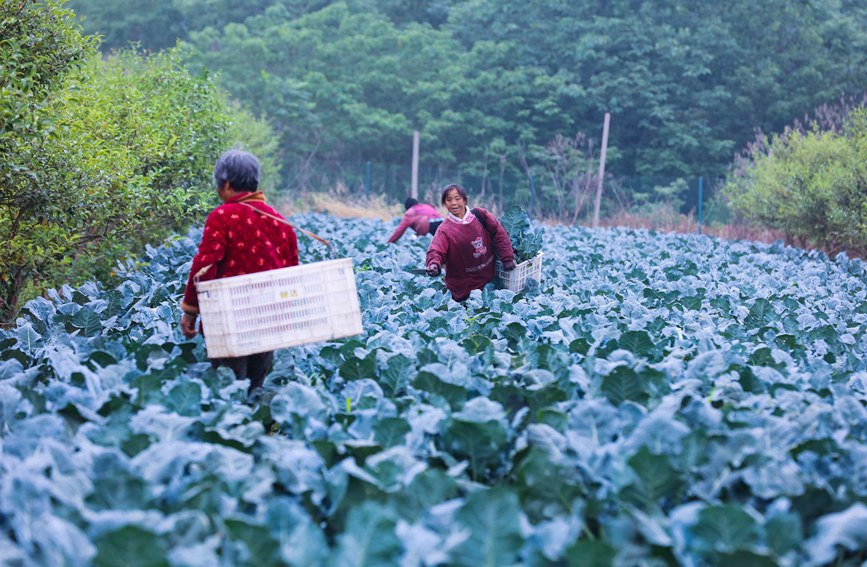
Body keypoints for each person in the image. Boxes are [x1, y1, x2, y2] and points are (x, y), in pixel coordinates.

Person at [180, 149, 299, 397]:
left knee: (228, 391)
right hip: (269, 320)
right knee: (255, 389)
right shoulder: (281, 222)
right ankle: (256, 432)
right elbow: (291, 274)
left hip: (228, 320)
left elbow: (205, 266)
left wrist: (191, 311)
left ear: (225, 184)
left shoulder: (222, 216)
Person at [425, 183, 516, 301]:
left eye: (457, 199)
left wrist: (507, 257)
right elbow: (436, 250)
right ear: (445, 204)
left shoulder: (481, 215)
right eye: (449, 200)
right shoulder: (444, 230)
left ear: (465, 200)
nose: (453, 203)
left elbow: (499, 233)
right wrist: (434, 264)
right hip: (462, 291)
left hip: (490, 283)